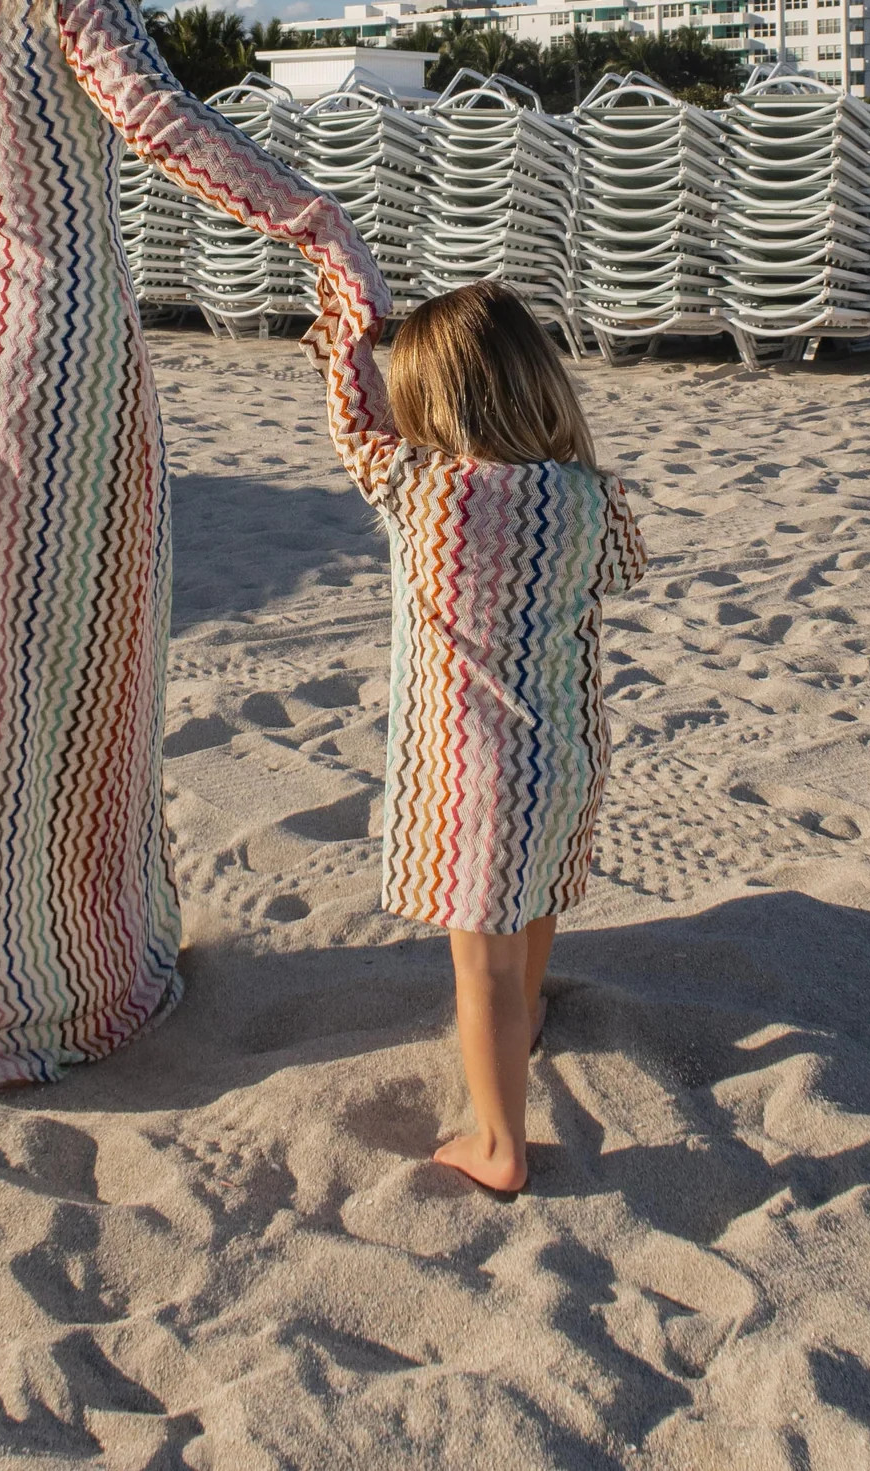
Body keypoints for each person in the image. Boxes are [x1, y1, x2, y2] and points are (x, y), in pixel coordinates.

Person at [0, 0, 389, 1094]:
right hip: (56, 361)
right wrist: (317, 223)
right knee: (71, 663)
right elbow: (166, 124)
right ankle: (62, 975)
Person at [305, 278, 646, 1191]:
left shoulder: (422, 488)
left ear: (427, 403)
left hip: (475, 769)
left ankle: (500, 1145)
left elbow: (355, 430)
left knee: (479, 959)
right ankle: (527, 1015)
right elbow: (628, 567)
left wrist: (345, 346)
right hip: (567, 754)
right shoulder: (589, 497)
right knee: (537, 898)